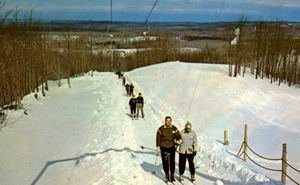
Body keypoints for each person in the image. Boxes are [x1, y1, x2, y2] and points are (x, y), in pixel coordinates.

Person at [156, 116, 182, 183]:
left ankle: (172, 176)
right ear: (165, 121)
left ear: (171, 121)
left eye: (170, 121)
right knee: (165, 163)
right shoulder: (161, 129)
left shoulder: (174, 128)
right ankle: (167, 176)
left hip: (171, 147)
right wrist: (158, 146)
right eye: (167, 120)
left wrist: (178, 139)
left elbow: (178, 135)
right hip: (164, 147)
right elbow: (158, 138)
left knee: (172, 163)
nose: (168, 122)